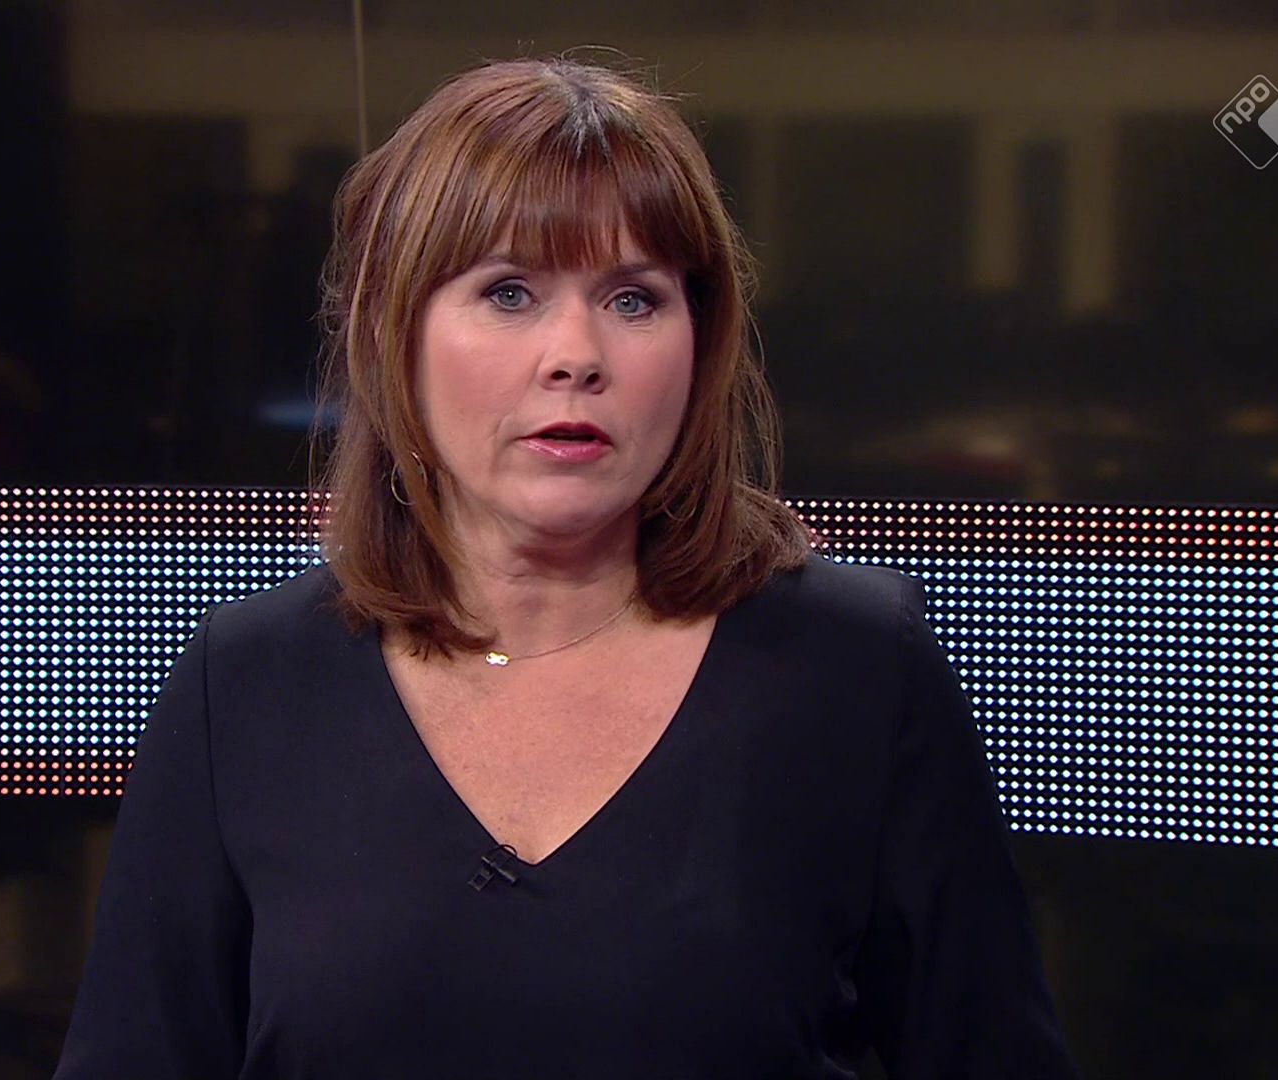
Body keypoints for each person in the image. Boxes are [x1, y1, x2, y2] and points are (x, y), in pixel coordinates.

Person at [53, 53, 1080, 1079]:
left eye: (634, 299)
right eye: (509, 292)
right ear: (392, 333)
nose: (577, 354)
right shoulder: (247, 685)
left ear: (700, 340)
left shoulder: (853, 667)